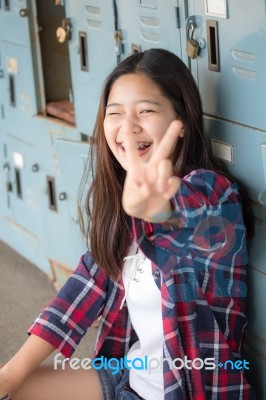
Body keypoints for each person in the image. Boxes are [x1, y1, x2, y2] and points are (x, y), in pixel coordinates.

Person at [0, 48, 256, 400]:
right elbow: (77, 294)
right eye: (115, 113)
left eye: (146, 111)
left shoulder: (214, 195)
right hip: (126, 379)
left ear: (180, 123)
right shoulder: (122, 210)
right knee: (16, 385)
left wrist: (158, 208)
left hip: (189, 390)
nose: (127, 126)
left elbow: (188, 212)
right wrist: (8, 377)